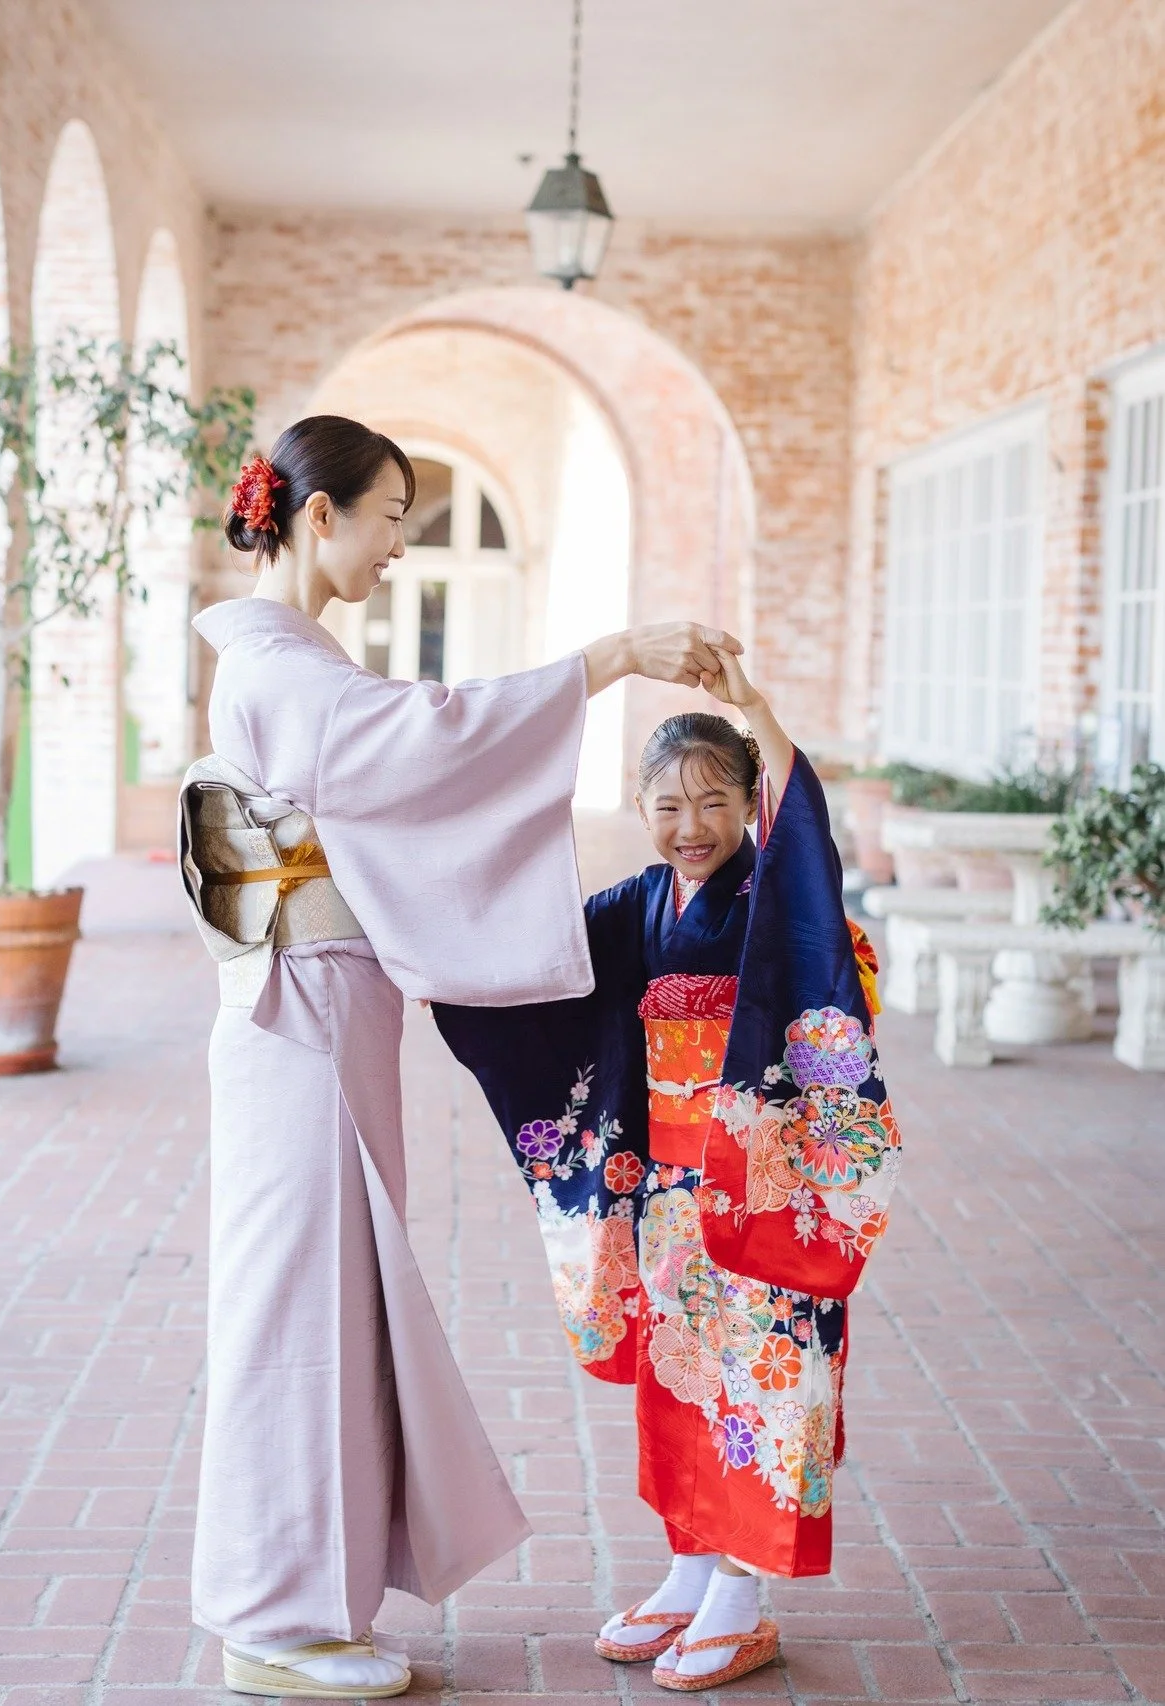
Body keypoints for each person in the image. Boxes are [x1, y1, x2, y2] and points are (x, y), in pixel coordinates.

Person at [180, 413, 746, 1699]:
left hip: (320, 1006)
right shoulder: (281, 667)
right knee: (299, 1301)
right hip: (300, 1012)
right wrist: (611, 656)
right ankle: (274, 1615)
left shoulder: (289, 660)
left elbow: (405, 755)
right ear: (316, 515)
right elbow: (431, 736)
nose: (396, 545)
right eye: (388, 516)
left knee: (326, 1295)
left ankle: (299, 1599)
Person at [435, 656, 901, 1691]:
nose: (692, 825)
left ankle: (742, 1595)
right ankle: (690, 1571)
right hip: (669, 1200)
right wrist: (445, 958)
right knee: (683, 1382)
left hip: (763, 1184)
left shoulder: (777, 898)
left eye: (715, 801)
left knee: (764, 1386)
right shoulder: (638, 905)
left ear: (751, 801)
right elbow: (539, 964)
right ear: (639, 806)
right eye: (668, 805)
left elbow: (805, 849)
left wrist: (755, 709)